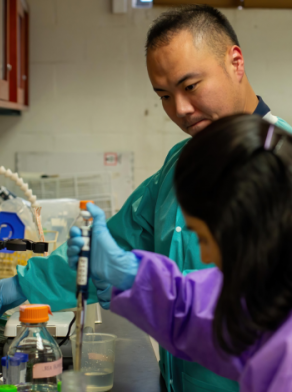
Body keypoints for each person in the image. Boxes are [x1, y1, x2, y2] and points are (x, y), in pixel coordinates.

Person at [0, 5, 292, 391]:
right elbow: (108, 248)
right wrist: (24, 286)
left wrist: (134, 280)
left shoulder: (283, 168)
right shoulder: (179, 167)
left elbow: (249, 312)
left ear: (235, 62)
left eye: (190, 86)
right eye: (164, 96)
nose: (180, 110)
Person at [67, 114, 292, 392]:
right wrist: (129, 274)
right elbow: (203, 313)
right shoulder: (269, 290)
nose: (206, 257)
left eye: (203, 238)